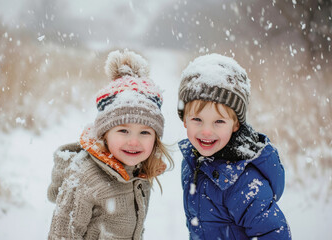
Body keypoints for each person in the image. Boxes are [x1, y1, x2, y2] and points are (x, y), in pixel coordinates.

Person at [47, 49, 173, 240]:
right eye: (123, 130)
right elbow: (62, 234)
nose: (134, 141)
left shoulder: (140, 172)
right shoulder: (85, 178)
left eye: (145, 132)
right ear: (105, 133)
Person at [177, 53, 291, 239]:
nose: (206, 131)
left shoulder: (243, 182)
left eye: (218, 122)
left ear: (236, 124)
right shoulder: (194, 162)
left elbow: (274, 232)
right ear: (184, 120)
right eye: (197, 119)